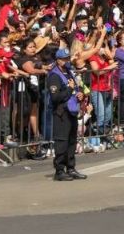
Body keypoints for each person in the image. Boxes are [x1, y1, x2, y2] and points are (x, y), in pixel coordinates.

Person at [47, 47, 87, 182]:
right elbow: (56, 98)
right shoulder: (54, 76)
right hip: (61, 112)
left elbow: (76, 87)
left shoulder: (69, 72)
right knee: (61, 142)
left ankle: (71, 168)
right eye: (63, 59)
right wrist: (70, 90)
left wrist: (79, 93)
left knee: (71, 141)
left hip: (72, 110)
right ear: (58, 60)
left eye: (67, 58)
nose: (66, 61)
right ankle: (59, 170)